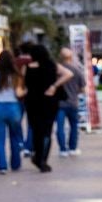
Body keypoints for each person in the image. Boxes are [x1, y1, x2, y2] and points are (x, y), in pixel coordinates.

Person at [18, 38, 64, 173]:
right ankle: (43, 159)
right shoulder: (52, 65)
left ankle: (37, 157)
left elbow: (21, 84)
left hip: (32, 103)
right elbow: (69, 74)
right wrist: (54, 86)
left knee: (36, 130)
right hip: (49, 102)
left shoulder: (26, 68)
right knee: (47, 131)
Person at [0, 48, 24, 173]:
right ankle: (15, 164)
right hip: (13, 108)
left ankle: (2, 166)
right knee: (14, 136)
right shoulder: (16, 75)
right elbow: (19, 93)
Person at [54, 46, 84, 157]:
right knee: (74, 126)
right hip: (73, 102)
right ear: (71, 57)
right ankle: (73, 148)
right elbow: (83, 88)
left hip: (59, 103)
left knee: (60, 127)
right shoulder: (77, 70)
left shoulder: (57, 69)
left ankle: (62, 149)